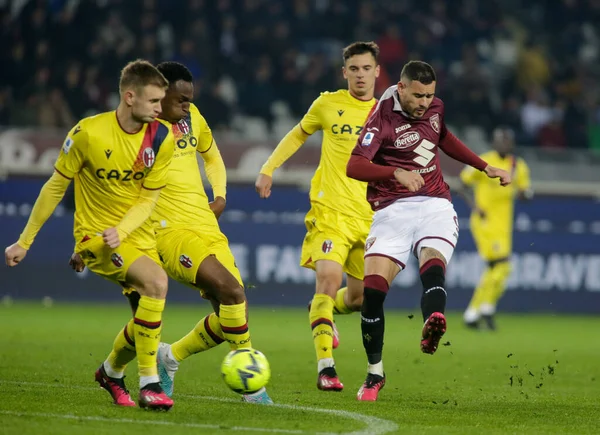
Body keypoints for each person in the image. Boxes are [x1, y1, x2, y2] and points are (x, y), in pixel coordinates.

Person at [70, 62, 272, 404]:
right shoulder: (140, 133)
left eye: (190, 100)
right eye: (180, 100)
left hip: (207, 227)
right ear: (158, 97)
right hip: (168, 233)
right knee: (231, 290)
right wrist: (88, 243)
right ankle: (253, 387)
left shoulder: (192, 119)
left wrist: (220, 195)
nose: (187, 107)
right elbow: (117, 191)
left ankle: (166, 358)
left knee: (232, 316)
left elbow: (213, 156)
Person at [6, 59, 175, 410]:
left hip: (136, 236)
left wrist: (124, 230)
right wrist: (25, 240)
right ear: (130, 97)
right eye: (155, 101)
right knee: (157, 283)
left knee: (145, 313)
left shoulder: (162, 137)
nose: (162, 108)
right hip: (95, 238)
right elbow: (54, 188)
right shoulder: (87, 134)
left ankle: (111, 372)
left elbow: (148, 199)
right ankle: (150, 384)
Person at [346, 60, 512, 401]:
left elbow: (444, 137)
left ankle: (432, 320)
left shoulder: (435, 107)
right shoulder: (381, 117)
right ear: (402, 88)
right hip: (392, 208)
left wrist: (485, 166)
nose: (424, 103)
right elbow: (355, 165)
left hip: (435, 203)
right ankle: (375, 373)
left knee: (432, 262)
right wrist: (395, 173)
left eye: (430, 95)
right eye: (418, 96)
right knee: (373, 292)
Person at [255, 42, 380, 391]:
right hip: (330, 210)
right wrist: (268, 169)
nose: (359, 75)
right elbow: (297, 134)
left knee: (358, 299)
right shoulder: (327, 104)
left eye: (365, 68)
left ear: (376, 72)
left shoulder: (386, 114)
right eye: (353, 69)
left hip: (369, 217)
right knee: (327, 278)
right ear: (344, 72)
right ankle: (326, 368)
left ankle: (320, 310)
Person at [461, 127, 532, 330]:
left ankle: (482, 309)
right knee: (498, 265)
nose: (503, 144)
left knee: (502, 269)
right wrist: (475, 207)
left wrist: (525, 194)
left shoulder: (517, 165)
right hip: (484, 222)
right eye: (500, 140)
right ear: (494, 143)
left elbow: (526, 192)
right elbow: (462, 184)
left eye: (507, 141)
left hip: (504, 225)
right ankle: (476, 311)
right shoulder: (483, 161)